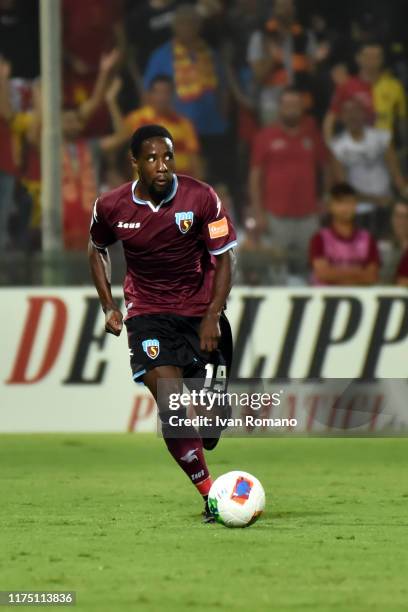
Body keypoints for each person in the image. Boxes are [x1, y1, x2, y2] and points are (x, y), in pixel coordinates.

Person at [88, 124, 237, 523]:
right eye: (152, 158)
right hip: (148, 313)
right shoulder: (111, 206)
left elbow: (225, 257)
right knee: (172, 405)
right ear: (134, 162)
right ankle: (211, 495)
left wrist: (212, 315)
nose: (162, 166)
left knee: (208, 429)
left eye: (168, 156)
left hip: (199, 311)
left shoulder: (202, 197)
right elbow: (97, 247)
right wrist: (108, 305)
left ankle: (216, 399)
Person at [143, 4, 229, 184]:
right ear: (175, 27)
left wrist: (223, 115)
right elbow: (148, 93)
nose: (188, 28)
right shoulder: (161, 56)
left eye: (192, 23)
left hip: (211, 128)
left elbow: (222, 88)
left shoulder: (211, 54)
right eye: (183, 23)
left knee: (212, 182)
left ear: (200, 26)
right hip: (176, 130)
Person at [250, 87, 330, 276]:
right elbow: (255, 177)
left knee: (311, 267)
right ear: (279, 107)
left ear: (302, 107)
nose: (291, 108)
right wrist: (259, 212)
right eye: (287, 104)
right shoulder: (265, 136)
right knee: (277, 269)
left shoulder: (312, 134)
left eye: (295, 104)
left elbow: (327, 167)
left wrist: (325, 199)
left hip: (308, 215)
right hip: (276, 215)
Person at [330, 98, 408, 233]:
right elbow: (343, 188)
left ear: (364, 114)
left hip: (387, 206)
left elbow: (396, 174)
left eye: (356, 111)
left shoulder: (382, 138)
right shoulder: (337, 146)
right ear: (342, 117)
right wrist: (375, 200)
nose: (352, 115)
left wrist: (405, 193)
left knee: (387, 248)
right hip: (359, 210)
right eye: (347, 112)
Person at [113, 74, 202, 178]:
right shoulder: (136, 119)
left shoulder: (184, 124)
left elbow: (195, 161)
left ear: (172, 95)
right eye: (158, 92)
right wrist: (112, 102)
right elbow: (118, 138)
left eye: (166, 92)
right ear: (150, 95)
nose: (162, 97)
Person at [246, 0, 316, 125]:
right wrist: (273, 58)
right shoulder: (260, 37)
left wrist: (314, 62)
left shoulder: (306, 36)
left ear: (294, 9)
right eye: (281, 6)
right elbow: (258, 77)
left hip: (299, 102)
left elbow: (312, 72)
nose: (284, 11)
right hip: (272, 103)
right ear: (273, 10)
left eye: (288, 6)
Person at [323, 42, 406, 143]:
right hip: (356, 150)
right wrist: (332, 147)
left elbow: (403, 121)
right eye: (367, 56)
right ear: (358, 58)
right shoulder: (346, 86)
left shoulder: (395, 86)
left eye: (376, 56)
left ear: (382, 59)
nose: (372, 60)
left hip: (386, 149)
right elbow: (330, 119)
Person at [309, 183, 380, 286]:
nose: (346, 207)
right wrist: (358, 272)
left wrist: (334, 272)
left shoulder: (367, 239)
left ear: (356, 205)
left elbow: (371, 276)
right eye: (340, 202)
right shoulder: (320, 238)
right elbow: (322, 273)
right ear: (330, 206)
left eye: (350, 202)